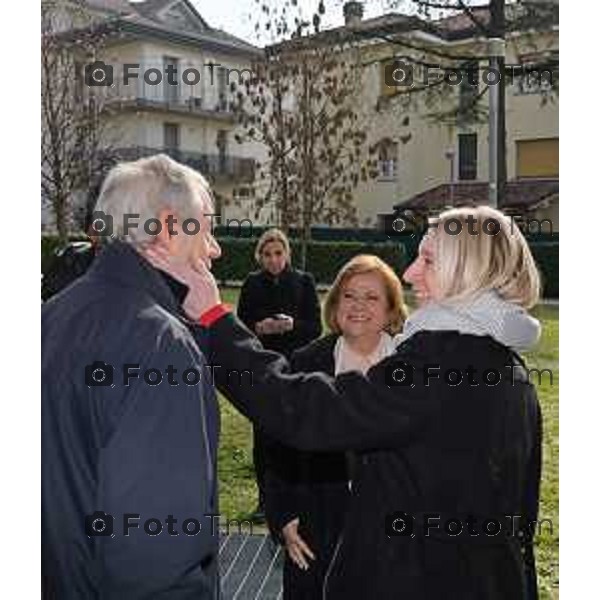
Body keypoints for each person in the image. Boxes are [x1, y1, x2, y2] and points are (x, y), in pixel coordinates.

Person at [148, 204, 543, 599]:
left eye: (428, 259)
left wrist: (216, 318)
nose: (410, 273)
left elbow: (306, 411)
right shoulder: (509, 369)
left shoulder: (437, 364)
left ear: (467, 273)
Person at [42, 154, 223, 599]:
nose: (215, 248)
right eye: (207, 227)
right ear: (166, 227)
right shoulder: (161, 343)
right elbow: (154, 557)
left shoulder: (49, 316)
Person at [266, 255, 407, 600]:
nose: (358, 306)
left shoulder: (412, 368)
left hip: (395, 536)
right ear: (335, 304)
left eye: (372, 297)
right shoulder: (303, 363)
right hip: (318, 529)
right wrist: (284, 515)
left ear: (391, 311)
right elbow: (274, 444)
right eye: (349, 295)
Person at [237, 228, 322, 520]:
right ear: (259, 256)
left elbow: (315, 329)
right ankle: (265, 501)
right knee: (263, 438)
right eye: (267, 254)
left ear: (287, 253)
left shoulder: (303, 282)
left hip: (295, 369)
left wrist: (292, 325)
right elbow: (241, 328)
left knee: (295, 435)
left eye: (278, 253)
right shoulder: (251, 284)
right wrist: (260, 328)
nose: (273, 260)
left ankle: (299, 500)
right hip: (262, 370)